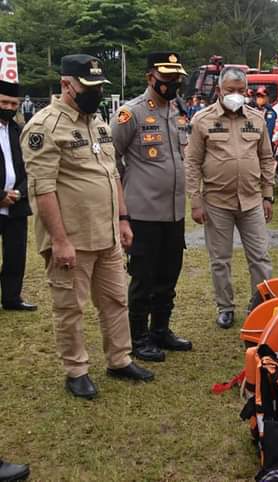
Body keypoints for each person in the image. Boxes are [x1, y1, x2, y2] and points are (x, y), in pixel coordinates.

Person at [22, 54, 154, 400]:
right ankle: (76, 370)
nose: (95, 93)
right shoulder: (44, 126)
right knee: (70, 307)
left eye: (99, 87)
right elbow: (43, 188)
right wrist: (60, 240)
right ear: (67, 85)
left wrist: (123, 219)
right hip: (72, 239)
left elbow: (112, 175)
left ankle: (119, 359)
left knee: (115, 300)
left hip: (107, 234)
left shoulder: (97, 123)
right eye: (89, 86)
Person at [110, 52, 192, 362]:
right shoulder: (130, 114)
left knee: (168, 276)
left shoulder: (176, 111)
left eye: (177, 79)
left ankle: (161, 330)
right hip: (142, 212)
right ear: (151, 78)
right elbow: (111, 159)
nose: (173, 84)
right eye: (167, 78)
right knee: (143, 279)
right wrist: (122, 210)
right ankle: (138, 337)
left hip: (174, 212)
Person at [185, 66, 274, 329]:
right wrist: (195, 201)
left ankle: (261, 306)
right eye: (229, 90)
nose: (235, 94)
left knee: (260, 258)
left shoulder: (256, 119)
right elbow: (192, 162)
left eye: (239, 90)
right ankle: (225, 307)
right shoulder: (202, 119)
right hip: (216, 202)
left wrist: (268, 195)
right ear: (219, 91)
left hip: (252, 200)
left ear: (246, 91)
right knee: (220, 260)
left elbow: (266, 158)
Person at [0, 80, 36, 312]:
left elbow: (31, 167)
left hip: (16, 203)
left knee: (15, 254)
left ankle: (12, 297)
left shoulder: (19, 131)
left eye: (14, 103)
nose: (9, 107)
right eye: (4, 102)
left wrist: (19, 192)